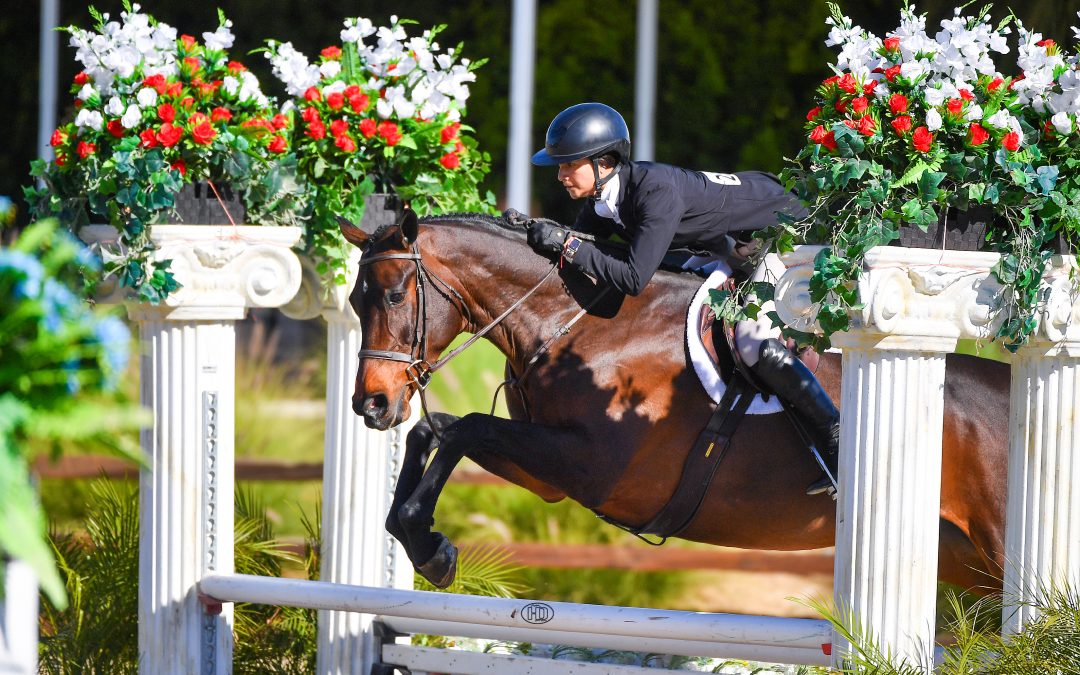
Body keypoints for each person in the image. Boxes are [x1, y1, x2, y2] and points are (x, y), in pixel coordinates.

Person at [525, 102, 838, 496]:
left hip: (785, 232)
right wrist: (544, 238)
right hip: (732, 245)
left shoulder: (654, 192)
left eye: (569, 165)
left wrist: (566, 244)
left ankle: (836, 442)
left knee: (752, 339)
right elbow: (584, 247)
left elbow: (633, 277)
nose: (561, 175)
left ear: (604, 163)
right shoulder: (604, 197)